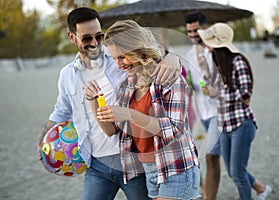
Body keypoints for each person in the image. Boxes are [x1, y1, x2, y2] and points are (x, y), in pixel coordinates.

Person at [36, 7, 181, 200]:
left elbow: (154, 56)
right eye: (87, 38)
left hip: (133, 162)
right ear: (72, 37)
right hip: (96, 166)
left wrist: (173, 58)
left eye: (99, 36)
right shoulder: (67, 75)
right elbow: (61, 111)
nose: (95, 43)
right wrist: (42, 138)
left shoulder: (120, 59)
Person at [84, 20, 200, 200]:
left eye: (122, 57)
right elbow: (111, 130)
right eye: (114, 58)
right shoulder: (127, 84)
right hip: (149, 170)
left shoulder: (169, 78)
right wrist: (92, 100)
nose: (118, 65)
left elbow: (172, 130)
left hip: (176, 166)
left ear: (137, 49)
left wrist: (130, 114)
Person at [198, 22, 272, 200]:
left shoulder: (238, 61)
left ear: (217, 43)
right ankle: (261, 190)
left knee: (238, 173)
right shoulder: (219, 65)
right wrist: (208, 76)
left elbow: (246, 92)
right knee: (233, 172)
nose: (206, 47)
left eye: (208, 42)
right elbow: (225, 93)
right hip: (225, 125)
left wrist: (219, 93)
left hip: (241, 124)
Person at [184, 11, 221, 200]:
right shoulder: (190, 55)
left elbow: (229, 80)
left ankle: (209, 198)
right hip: (203, 113)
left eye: (196, 30)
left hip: (220, 111)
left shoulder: (218, 49)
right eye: (189, 31)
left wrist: (216, 88)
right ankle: (259, 187)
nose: (192, 35)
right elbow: (192, 83)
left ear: (205, 28)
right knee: (230, 162)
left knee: (211, 156)